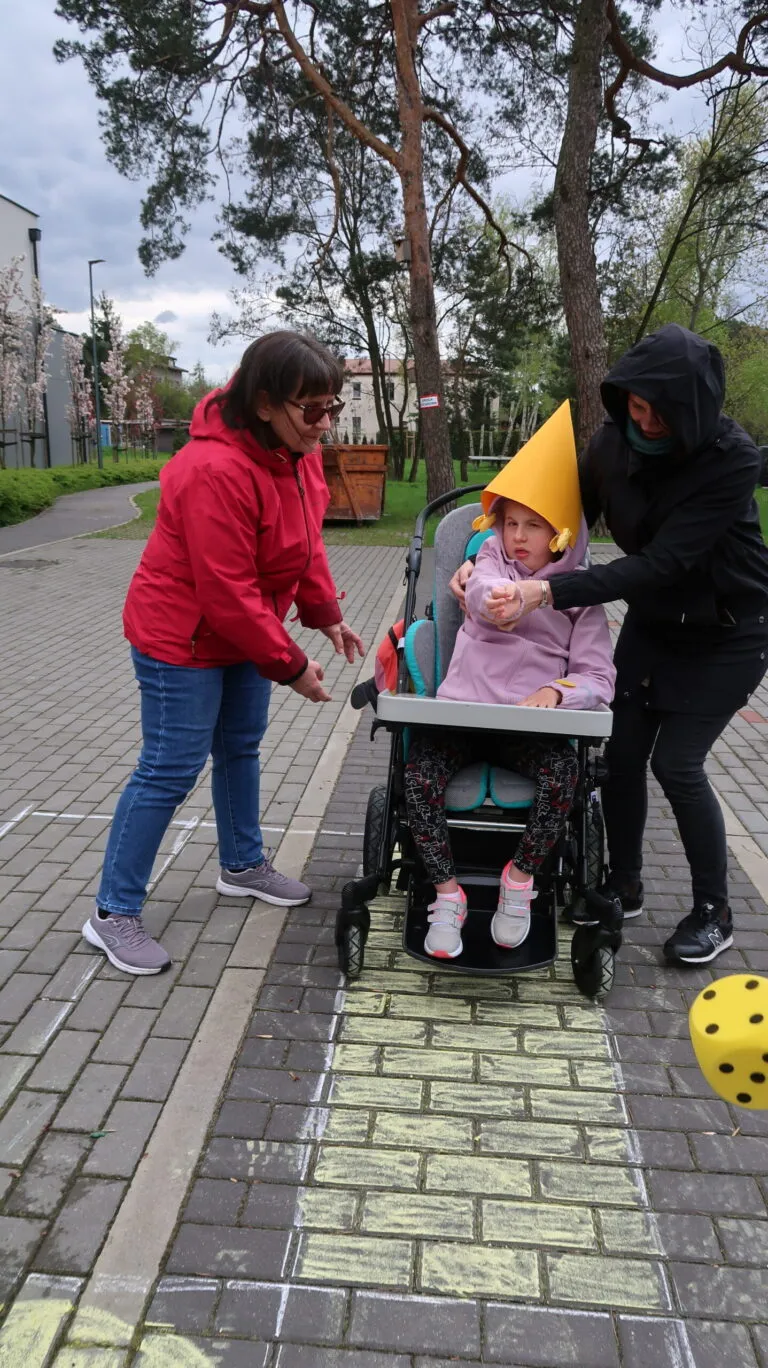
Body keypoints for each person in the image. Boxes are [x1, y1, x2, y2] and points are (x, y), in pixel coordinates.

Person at [451, 324, 768, 965]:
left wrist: (545, 598)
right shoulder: (610, 444)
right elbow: (556, 525)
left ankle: (715, 911)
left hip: (728, 630)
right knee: (619, 757)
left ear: (693, 412)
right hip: (655, 623)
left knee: (676, 764)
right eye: (635, 406)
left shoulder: (729, 459)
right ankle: (623, 881)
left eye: (660, 413)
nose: (644, 422)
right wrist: (482, 564)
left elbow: (665, 562)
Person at [83, 331, 364, 976]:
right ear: (264, 403)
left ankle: (242, 865)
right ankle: (112, 912)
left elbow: (306, 545)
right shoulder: (210, 470)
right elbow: (225, 590)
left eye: (332, 407)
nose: (323, 424)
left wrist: (327, 617)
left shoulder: (297, 452)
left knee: (240, 743)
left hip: (244, 629)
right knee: (170, 767)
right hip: (181, 635)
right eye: (310, 409)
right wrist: (291, 666)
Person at [405, 404, 615, 958]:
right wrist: (493, 596)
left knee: (564, 776)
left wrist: (557, 692)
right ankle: (446, 893)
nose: (518, 536)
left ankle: (518, 881)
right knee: (419, 773)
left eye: (533, 526)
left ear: (562, 536)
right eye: (510, 523)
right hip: (464, 711)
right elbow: (481, 591)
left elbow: (598, 677)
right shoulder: (487, 567)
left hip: (530, 723)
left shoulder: (580, 600)